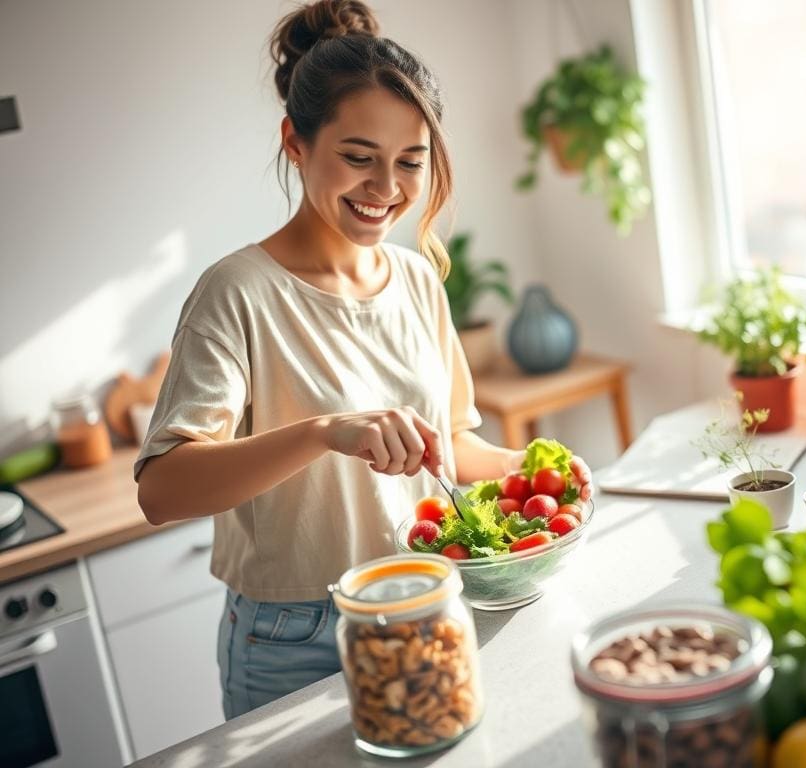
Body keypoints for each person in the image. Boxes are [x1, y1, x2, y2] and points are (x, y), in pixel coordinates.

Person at [135, 0, 593, 720]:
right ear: (296, 142)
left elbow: (450, 445)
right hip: (294, 634)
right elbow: (162, 489)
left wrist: (536, 469)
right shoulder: (237, 292)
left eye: (410, 163)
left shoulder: (415, 279)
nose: (386, 190)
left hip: (425, 599)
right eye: (358, 158)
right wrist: (324, 432)